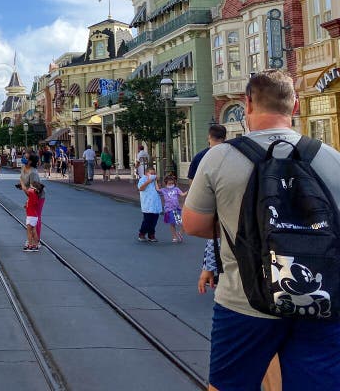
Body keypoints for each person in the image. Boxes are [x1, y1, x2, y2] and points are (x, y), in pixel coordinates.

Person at [183, 70, 340, 390]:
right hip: (320, 301)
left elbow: (194, 224)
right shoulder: (331, 158)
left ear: (247, 105)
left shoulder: (219, 158)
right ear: (294, 107)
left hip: (244, 301)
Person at [20, 153, 45, 248]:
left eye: (26, 158)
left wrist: (23, 186)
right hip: (30, 196)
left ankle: (36, 242)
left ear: (30, 161)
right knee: (31, 219)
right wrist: (22, 184)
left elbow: (34, 191)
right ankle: (32, 239)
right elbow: (22, 178)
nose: (23, 158)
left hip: (37, 197)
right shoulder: (23, 167)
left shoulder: (33, 173)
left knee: (35, 219)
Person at [136, 165, 162, 242]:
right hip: (147, 204)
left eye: (154, 173)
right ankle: (142, 233)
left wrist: (157, 181)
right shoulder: (143, 179)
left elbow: (158, 190)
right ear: (146, 173)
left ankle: (151, 235)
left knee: (154, 221)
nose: (153, 175)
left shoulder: (154, 181)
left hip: (155, 204)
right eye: (151, 173)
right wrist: (148, 181)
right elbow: (140, 188)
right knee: (147, 220)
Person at [161, 174, 187, 243]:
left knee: (183, 222)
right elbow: (157, 189)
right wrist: (155, 181)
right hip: (169, 209)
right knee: (172, 224)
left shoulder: (176, 189)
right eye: (169, 183)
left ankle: (180, 233)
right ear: (166, 183)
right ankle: (174, 237)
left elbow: (182, 194)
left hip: (176, 209)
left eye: (172, 183)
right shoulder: (164, 190)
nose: (171, 184)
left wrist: (189, 191)